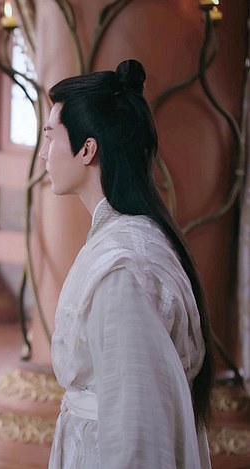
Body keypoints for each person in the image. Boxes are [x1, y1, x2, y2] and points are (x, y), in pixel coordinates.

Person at [41, 59, 214, 468]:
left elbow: (138, 426)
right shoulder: (124, 241)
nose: (44, 154)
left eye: (50, 137)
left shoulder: (122, 268)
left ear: (87, 149)